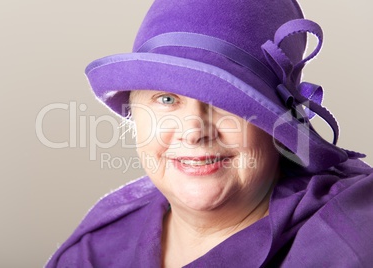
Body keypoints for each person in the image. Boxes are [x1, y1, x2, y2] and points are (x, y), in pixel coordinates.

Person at [46, 0, 373, 267]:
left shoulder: (353, 238)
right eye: (167, 99)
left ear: (277, 126)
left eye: (225, 102)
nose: (193, 131)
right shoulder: (94, 250)